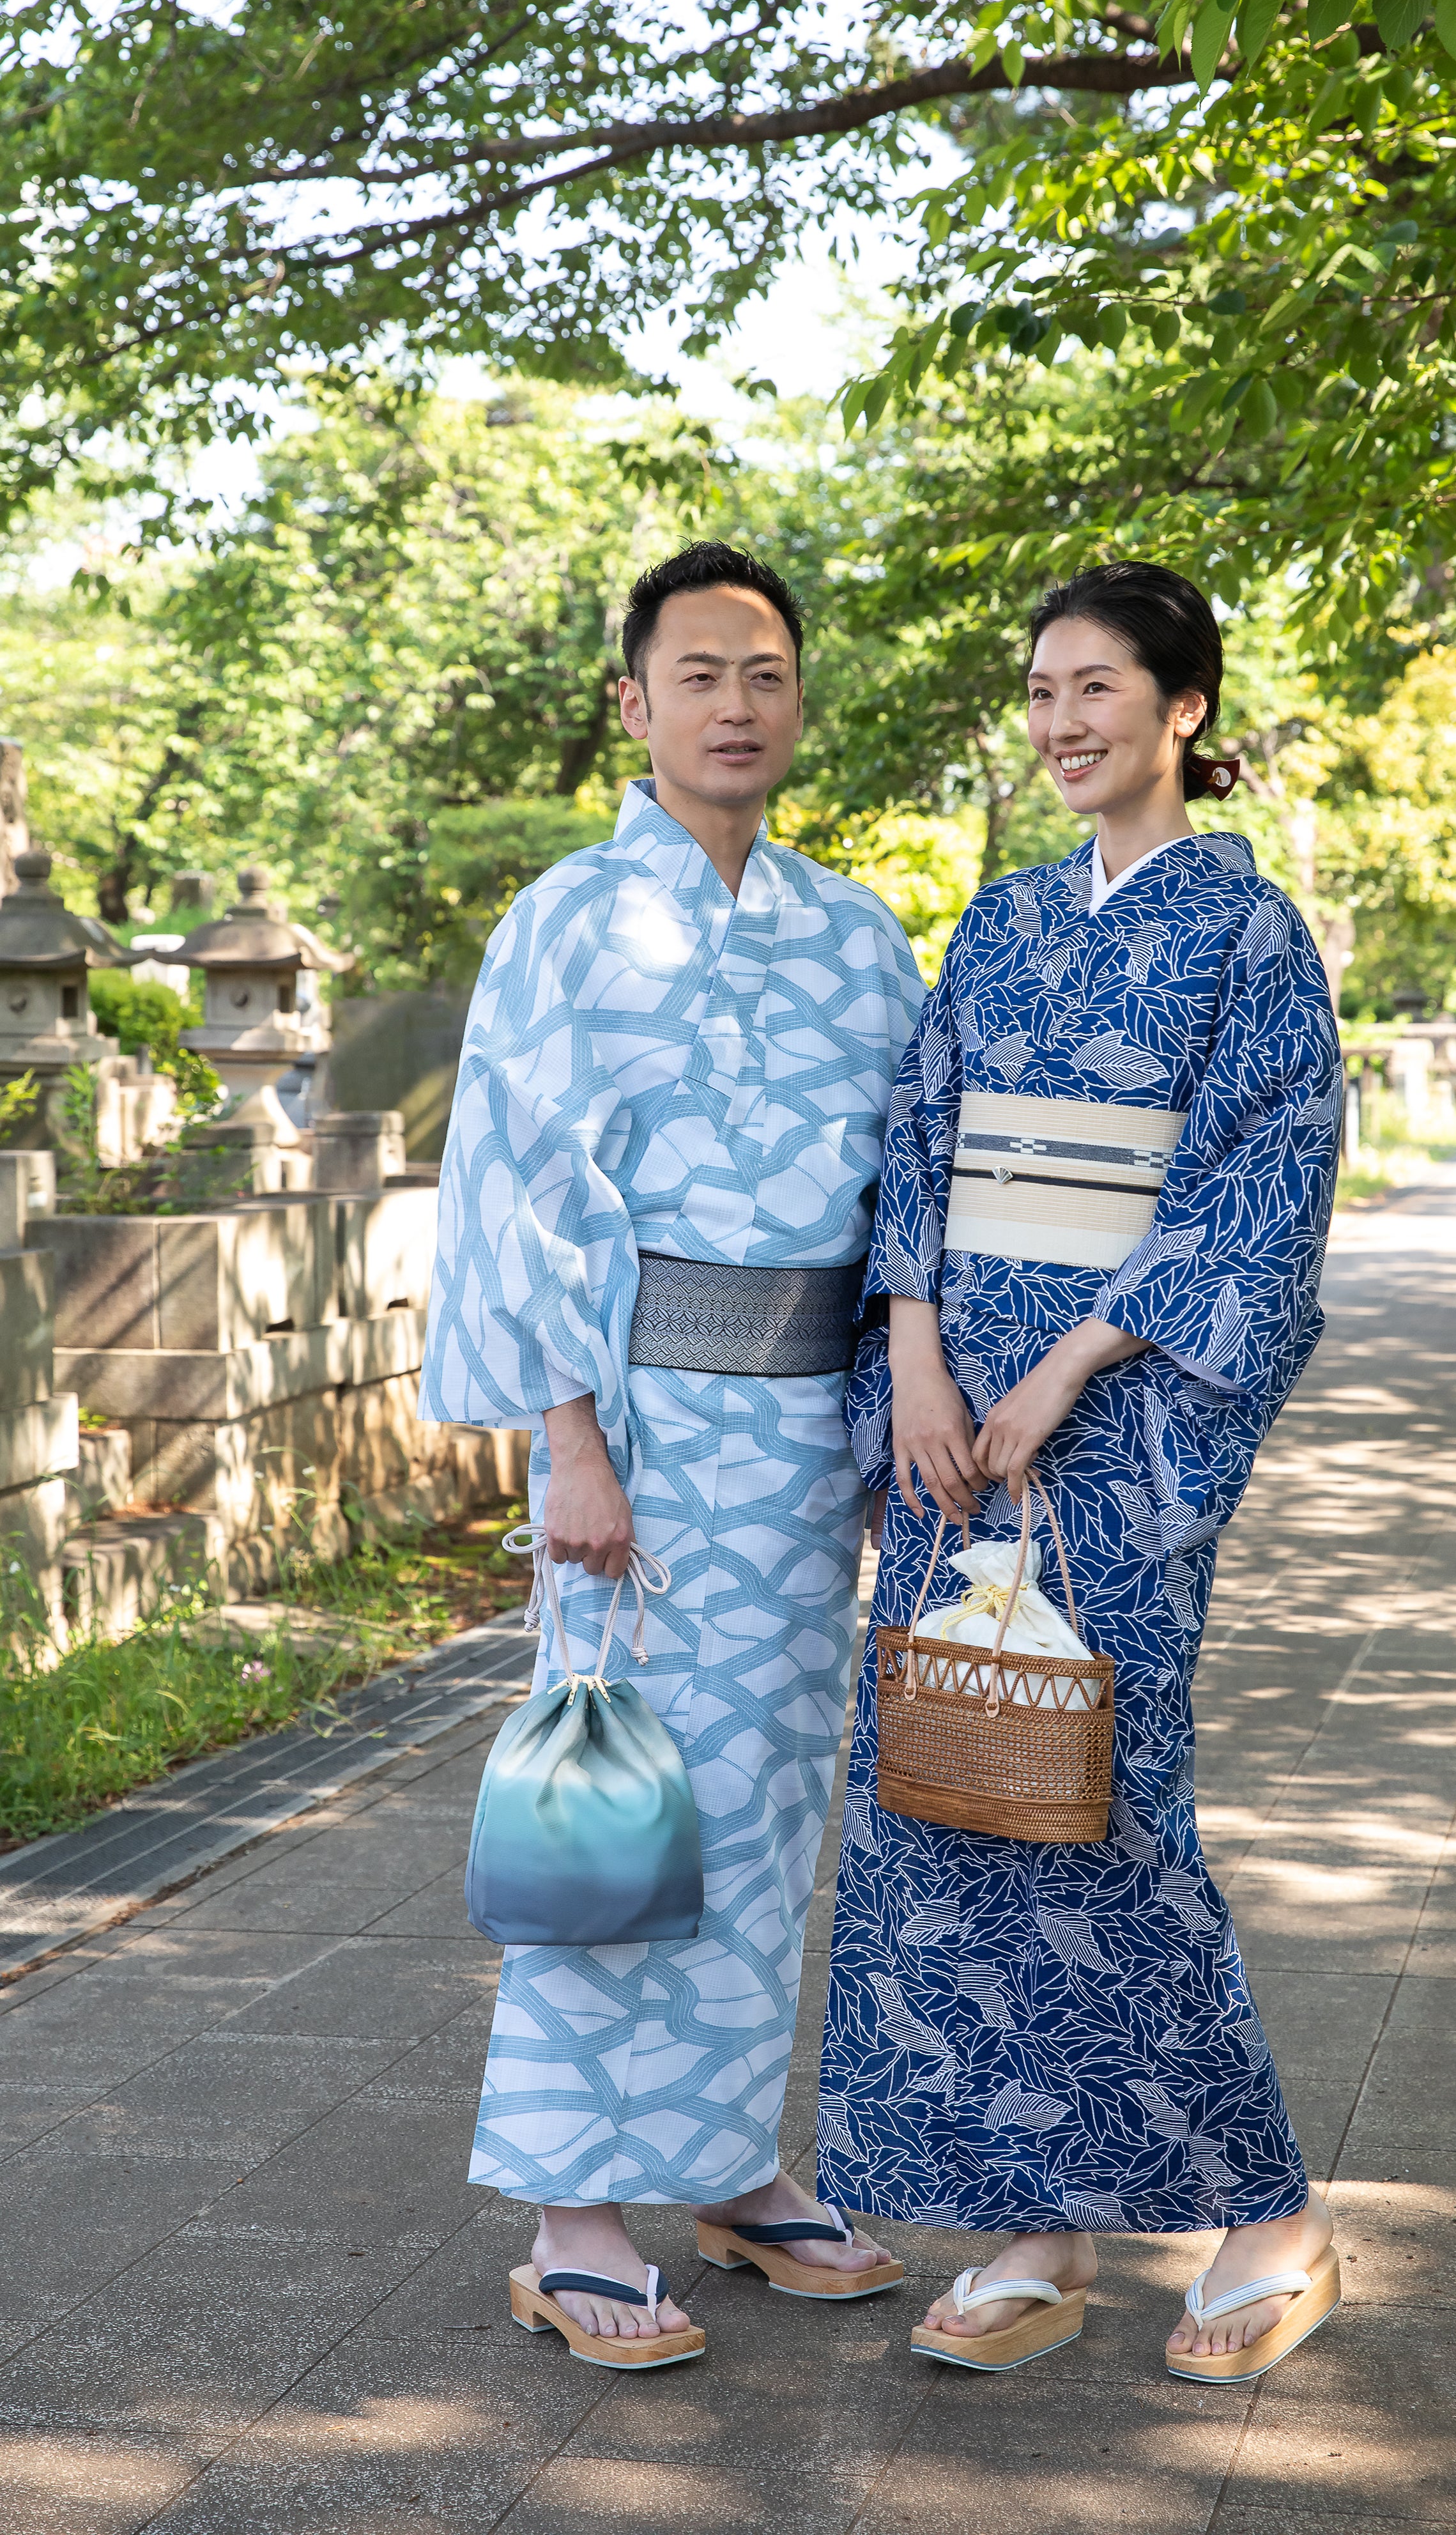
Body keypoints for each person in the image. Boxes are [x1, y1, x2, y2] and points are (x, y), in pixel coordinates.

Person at [818, 559, 1342, 2381]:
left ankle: (1267, 2210)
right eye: (1039, 692)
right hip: (950, 1415)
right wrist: (911, 1357)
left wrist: (1063, 1367)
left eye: (1094, 688)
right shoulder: (998, 922)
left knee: (1104, 1801)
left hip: (1115, 1421)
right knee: (952, 1788)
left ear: (1182, 710)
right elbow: (920, 1142)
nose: (1058, 723)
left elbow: (1256, 1193)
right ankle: (1029, 2225)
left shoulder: (1248, 935)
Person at [422, 540, 926, 2367]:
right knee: (615, 1804)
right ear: (632, 705)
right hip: (628, 1434)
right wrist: (564, 1438)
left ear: (799, 706)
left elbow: (906, 1210)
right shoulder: (569, 918)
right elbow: (517, 1185)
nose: (736, 704)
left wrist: (899, 1421)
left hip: (804, 1444)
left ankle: (734, 2167)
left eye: (765, 674)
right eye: (699, 674)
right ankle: (571, 2218)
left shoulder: (856, 932)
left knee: (773, 1813)